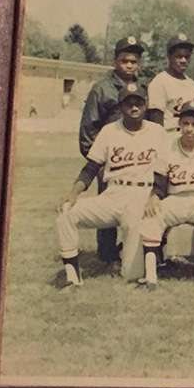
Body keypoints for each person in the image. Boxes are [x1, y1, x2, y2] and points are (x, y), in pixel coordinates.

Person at [56, 83, 167, 289]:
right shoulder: (109, 131)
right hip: (113, 194)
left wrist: (155, 195)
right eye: (128, 104)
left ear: (146, 105)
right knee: (67, 212)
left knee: (132, 274)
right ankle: (72, 277)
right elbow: (91, 168)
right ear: (120, 107)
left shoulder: (157, 132)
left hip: (141, 196)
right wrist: (74, 192)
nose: (134, 108)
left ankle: (138, 254)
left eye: (138, 103)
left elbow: (163, 173)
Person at [138, 101, 194, 293]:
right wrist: (154, 197)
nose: (189, 129)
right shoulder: (167, 147)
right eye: (185, 123)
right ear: (179, 124)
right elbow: (160, 185)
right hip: (175, 198)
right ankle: (150, 278)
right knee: (152, 215)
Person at [78, 36, 145, 268]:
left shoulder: (142, 88)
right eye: (125, 60)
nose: (129, 65)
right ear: (115, 61)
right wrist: (97, 163)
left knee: (137, 209)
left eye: (134, 62)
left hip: (136, 161)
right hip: (111, 161)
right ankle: (107, 255)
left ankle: (134, 250)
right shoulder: (102, 89)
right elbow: (88, 129)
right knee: (107, 210)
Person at [147, 33, 194, 134]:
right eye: (179, 56)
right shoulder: (160, 82)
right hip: (170, 135)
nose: (184, 60)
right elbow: (156, 120)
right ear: (169, 56)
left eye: (187, 57)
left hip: (189, 135)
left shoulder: (193, 85)